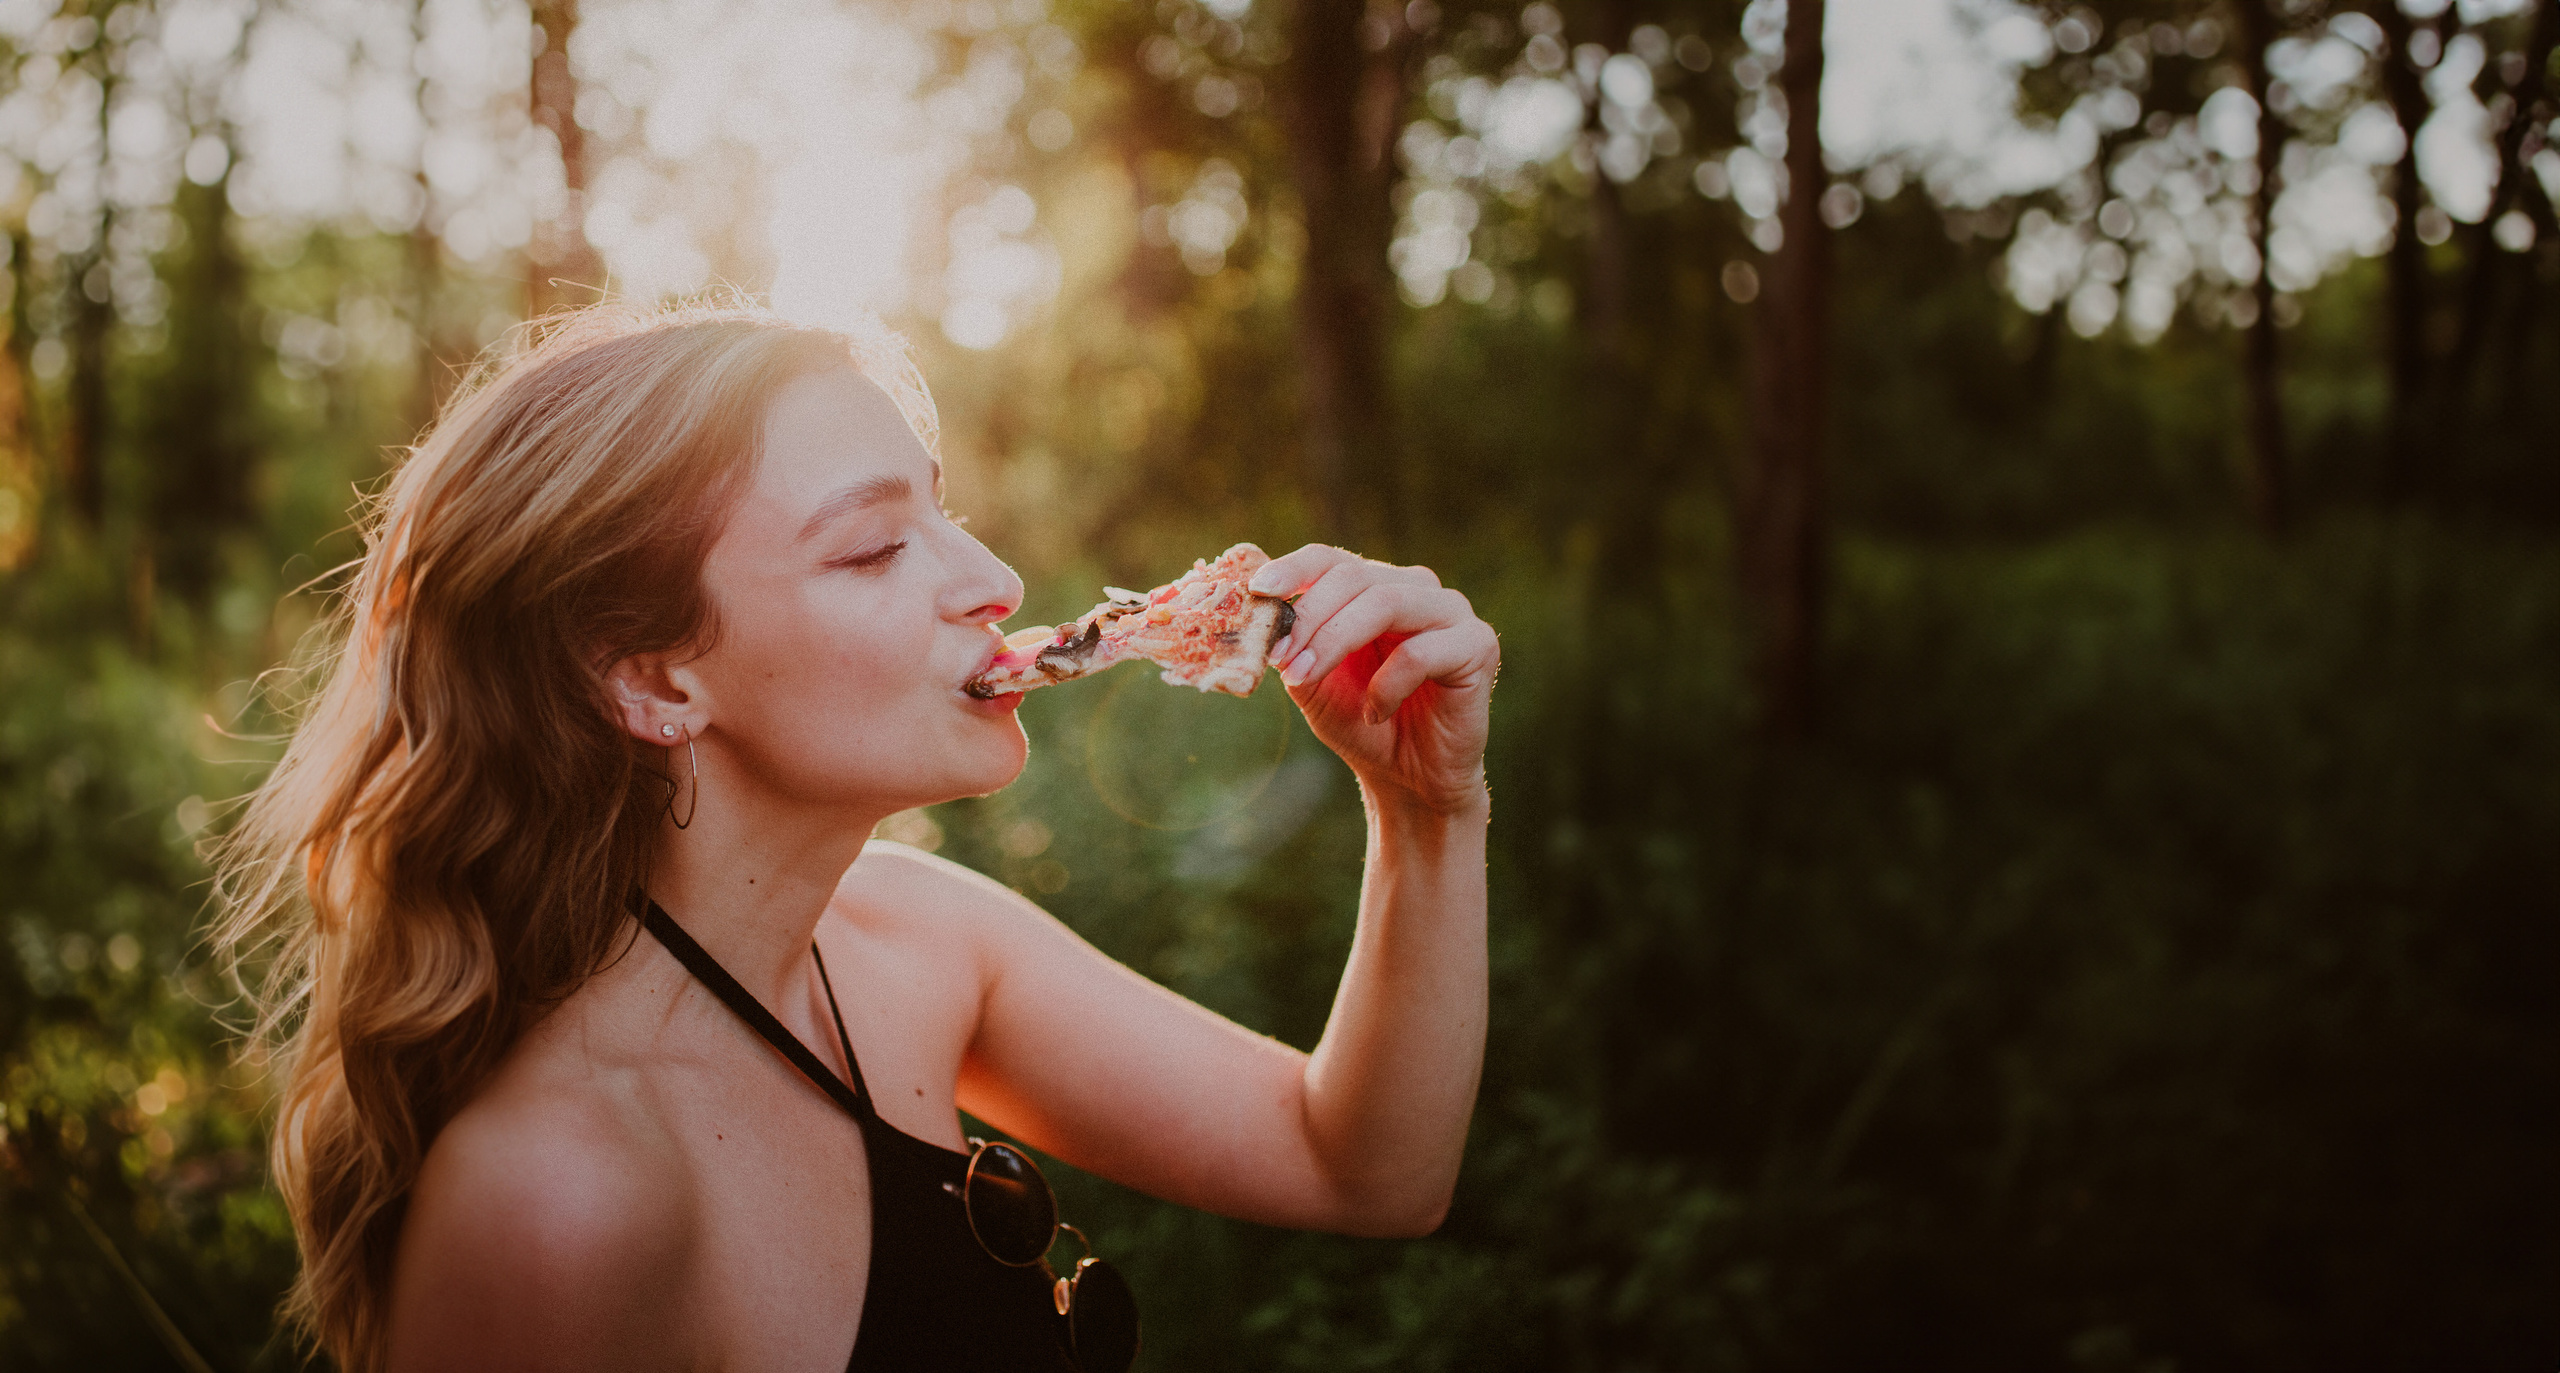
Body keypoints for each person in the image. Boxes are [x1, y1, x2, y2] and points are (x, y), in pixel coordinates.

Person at [213, 301, 1498, 1373]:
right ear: (651, 679)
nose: (991, 576)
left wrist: (1428, 811)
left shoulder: (918, 938)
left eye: (943, 511)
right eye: (876, 547)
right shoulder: (558, 1199)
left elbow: (1365, 1169)